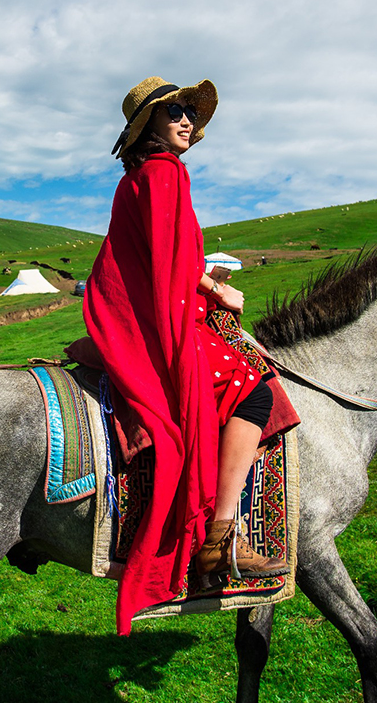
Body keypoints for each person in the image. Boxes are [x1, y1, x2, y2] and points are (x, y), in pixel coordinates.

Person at [84, 77, 289, 636]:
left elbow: (165, 256)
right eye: (171, 111)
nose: (184, 120)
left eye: (186, 112)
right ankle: (220, 539)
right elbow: (169, 265)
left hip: (140, 311)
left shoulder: (138, 178)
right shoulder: (166, 172)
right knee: (256, 385)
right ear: (146, 125)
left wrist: (203, 280)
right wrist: (217, 294)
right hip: (160, 320)